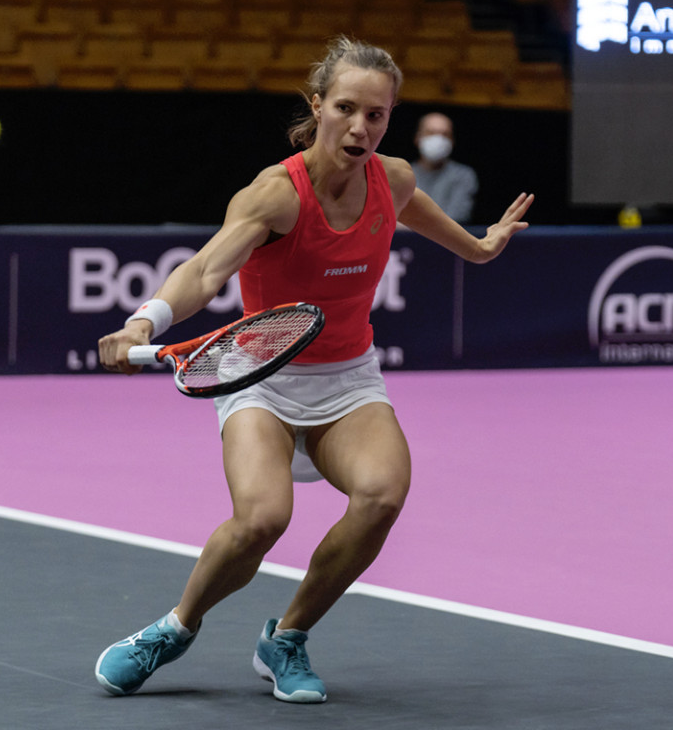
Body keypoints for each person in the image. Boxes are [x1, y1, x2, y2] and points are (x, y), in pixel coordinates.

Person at [94, 36, 532, 704]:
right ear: (317, 105)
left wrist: (484, 247)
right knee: (262, 520)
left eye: (377, 115)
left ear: (391, 118)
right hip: (260, 377)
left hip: (348, 378)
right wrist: (142, 324)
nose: (360, 127)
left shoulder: (397, 179)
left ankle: (287, 637)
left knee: (383, 494)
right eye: (347, 109)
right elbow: (207, 270)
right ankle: (176, 628)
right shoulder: (275, 196)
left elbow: (449, 236)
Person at [410, 112, 479, 224]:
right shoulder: (402, 173)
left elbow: (456, 217)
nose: (438, 139)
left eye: (445, 134)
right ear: (418, 138)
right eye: (431, 133)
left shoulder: (463, 175)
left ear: (452, 141)